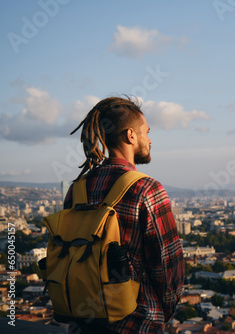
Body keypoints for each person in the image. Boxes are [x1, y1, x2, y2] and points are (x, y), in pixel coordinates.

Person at [63, 96, 184, 333]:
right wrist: (161, 314)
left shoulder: (77, 190)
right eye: (146, 132)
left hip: (82, 323)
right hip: (135, 324)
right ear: (130, 135)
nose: (150, 140)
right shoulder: (147, 189)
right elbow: (169, 271)